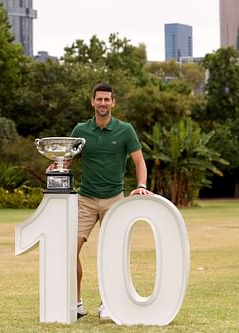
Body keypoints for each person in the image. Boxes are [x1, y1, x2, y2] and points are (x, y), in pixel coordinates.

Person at [49, 82, 151, 320]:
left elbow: (139, 162)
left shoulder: (125, 130)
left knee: (112, 254)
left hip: (114, 200)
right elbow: (69, 160)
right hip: (85, 199)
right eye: (99, 99)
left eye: (107, 99)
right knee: (68, 251)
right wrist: (57, 167)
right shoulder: (80, 130)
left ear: (113, 102)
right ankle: (76, 302)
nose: (103, 103)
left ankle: (108, 303)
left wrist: (141, 186)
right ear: (92, 102)